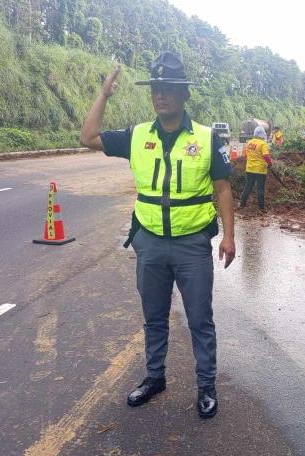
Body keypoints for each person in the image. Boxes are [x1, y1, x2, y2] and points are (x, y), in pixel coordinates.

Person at [79, 52, 236, 419]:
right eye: (156, 89)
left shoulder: (207, 138)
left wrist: (229, 237)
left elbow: (223, 188)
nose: (160, 95)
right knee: (153, 316)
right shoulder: (137, 136)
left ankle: (206, 386)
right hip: (149, 242)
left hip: (192, 244)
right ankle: (154, 377)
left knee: (200, 319)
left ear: (184, 94)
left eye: (168, 88)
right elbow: (88, 137)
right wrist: (104, 95)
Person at [240, 126, 273, 211]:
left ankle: (242, 204)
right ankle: (261, 208)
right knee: (260, 189)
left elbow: (247, 154)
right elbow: (266, 156)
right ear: (263, 134)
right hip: (260, 170)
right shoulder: (263, 144)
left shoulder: (249, 142)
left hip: (250, 168)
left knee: (248, 187)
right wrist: (270, 163)